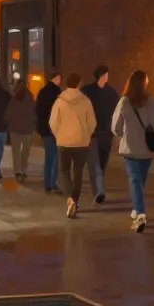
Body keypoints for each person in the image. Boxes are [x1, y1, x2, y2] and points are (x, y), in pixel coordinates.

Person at [113, 70, 154, 233]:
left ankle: (140, 213)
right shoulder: (152, 101)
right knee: (140, 180)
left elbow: (115, 127)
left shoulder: (124, 102)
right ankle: (137, 207)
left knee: (134, 179)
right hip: (147, 149)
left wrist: (122, 134)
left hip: (130, 148)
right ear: (144, 83)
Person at [50, 73, 97, 219]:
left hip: (64, 142)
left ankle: (69, 198)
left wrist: (59, 135)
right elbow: (92, 122)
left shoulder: (60, 101)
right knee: (78, 172)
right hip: (81, 143)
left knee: (63, 171)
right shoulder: (86, 101)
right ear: (79, 84)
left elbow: (53, 122)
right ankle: (75, 201)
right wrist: (86, 135)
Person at [81, 66, 120, 205]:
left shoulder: (111, 92)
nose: (107, 77)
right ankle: (99, 191)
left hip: (106, 134)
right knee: (95, 164)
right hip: (91, 134)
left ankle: (98, 187)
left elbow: (116, 113)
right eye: (105, 74)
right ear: (101, 75)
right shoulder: (87, 91)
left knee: (101, 163)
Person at [35, 71, 63, 192]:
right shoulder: (57, 92)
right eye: (59, 78)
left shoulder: (42, 91)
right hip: (55, 129)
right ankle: (52, 182)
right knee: (56, 156)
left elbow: (37, 110)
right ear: (55, 78)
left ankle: (47, 183)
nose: (60, 80)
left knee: (49, 156)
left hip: (45, 129)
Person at [6, 80, 37, 183]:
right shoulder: (31, 98)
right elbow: (35, 114)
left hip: (15, 130)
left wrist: (9, 123)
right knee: (25, 151)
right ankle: (24, 170)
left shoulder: (14, 99)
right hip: (27, 129)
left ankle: (17, 172)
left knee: (16, 152)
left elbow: (8, 114)